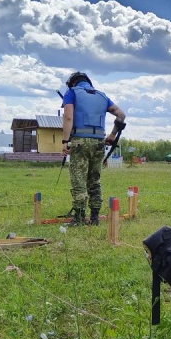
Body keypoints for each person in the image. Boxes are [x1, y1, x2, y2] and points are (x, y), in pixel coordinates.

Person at [61, 72, 126, 226]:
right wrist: (112, 135)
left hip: (80, 142)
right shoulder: (102, 96)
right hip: (99, 142)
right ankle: (95, 217)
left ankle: (80, 218)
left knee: (79, 180)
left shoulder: (71, 93)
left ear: (72, 83)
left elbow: (68, 117)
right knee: (94, 180)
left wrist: (65, 140)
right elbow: (121, 115)